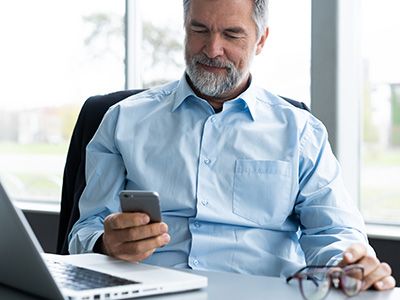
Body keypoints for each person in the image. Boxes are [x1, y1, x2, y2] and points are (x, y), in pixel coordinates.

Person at [69, 0, 395, 291]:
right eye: (199, 29)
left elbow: (335, 233)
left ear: (261, 39)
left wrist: (351, 263)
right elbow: (83, 232)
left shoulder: (300, 132)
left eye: (232, 34)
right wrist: (104, 243)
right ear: (184, 28)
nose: (212, 49)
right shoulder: (122, 120)